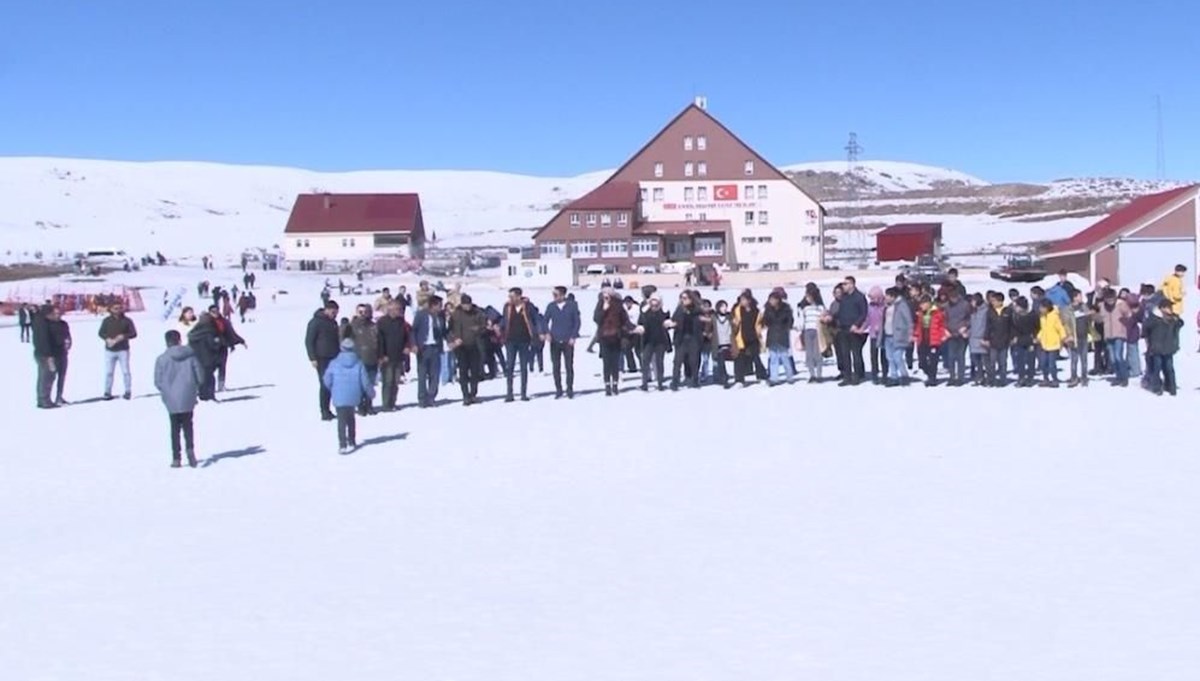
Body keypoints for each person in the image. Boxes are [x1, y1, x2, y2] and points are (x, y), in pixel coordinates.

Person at [154, 330, 204, 468]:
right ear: (179, 340)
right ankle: (190, 449)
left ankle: (176, 457)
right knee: (188, 425)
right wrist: (195, 387)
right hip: (188, 394)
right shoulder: (191, 356)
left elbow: (157, 381)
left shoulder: (161, 359)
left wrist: (166, 390)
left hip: (171, 398)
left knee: (174, 427)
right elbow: (200, 376)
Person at [323, 338, 375, 454]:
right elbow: (365, 381)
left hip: (338, 395)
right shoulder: (359, 363)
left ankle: (342, 444)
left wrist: (332, 388)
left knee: (341, 420)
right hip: (353, 395)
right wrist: (371, 392)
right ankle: (352, 440)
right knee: (351, 418)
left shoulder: (334, 363)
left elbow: (327, 379)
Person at [540, 285, 581, 399]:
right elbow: (544, 321)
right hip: (555, 340)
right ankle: (558, 389)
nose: (554, 297)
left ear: (563, 295)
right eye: (553, 295)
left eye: (556, 295)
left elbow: (577, 322)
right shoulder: (551, 306)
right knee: (556, 366)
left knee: (569, 366)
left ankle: (569, 389)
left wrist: (573, 336)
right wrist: (546, 332)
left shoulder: (572, 306)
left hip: (568, 340)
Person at [448, 294, 487, 405]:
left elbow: (484, 326)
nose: (467, 307)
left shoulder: (477, 313)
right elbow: (449, 329)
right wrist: (454, 339)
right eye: (465, 305)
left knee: (475, 372)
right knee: (463, 372)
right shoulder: (456, 314)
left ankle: (473, 394)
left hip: (475, 345)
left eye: (468, 304)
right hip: (461, 347)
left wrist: (478, 329)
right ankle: (465, 395)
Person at [500, 287, 538, 402]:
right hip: (510, 341)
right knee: (510, 367)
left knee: (523, 367)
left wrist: (537, 334)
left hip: (524, 340)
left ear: (518, 296)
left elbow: (535, 320)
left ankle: (523, 393)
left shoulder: (528, 307)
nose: (510, 299)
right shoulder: (507, 307)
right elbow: (504, 321)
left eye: (512, 296)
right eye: (509, 296)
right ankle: (509, 393)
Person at [305, 300, 341, 421]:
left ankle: (329, 408)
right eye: (333, 312)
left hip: (334, 357)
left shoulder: (333, 323)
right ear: (326, 309)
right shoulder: (315, 322)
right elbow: (309, 341)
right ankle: (324, 411)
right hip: (321, 358)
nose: (335, 314)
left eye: (336, 312)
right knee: (325, 384)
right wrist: (312, 358)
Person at [409, 296, 445, 408]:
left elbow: (444, 331)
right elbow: (413, 331)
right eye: (439, 305)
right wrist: (414, 344)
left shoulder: (440, 316)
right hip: (423, 348)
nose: (441, 308)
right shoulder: (421, 315)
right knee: (422, 374)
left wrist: (450, 340)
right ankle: (422, 398)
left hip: (435, 347)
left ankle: (431, 397)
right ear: (432, 305)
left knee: (435, 375)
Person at [594, 288, 631, 396]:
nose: (606, 296)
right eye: (604, 294)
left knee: (615, 362)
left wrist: (633, 328)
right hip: (604, 337)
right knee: (606, 363)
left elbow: (625, 320)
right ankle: (607, 386)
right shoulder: (600, 304)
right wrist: (604, 309)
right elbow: (596, 319)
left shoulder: (618, 305)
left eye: (608, 294)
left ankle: (615, 385)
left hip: (616, 337)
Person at [378, 299, 414, 410]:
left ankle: (393, 402)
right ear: (390, 309)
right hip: (387, 357)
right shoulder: (382, 322)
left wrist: (407, 347)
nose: (399, 311)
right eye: (397, 309)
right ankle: (386, 404)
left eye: (399, 309)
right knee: (388, 382)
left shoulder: (401, 322)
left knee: (395, 382)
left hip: (399, 356)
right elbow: (379, 340)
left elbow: (407, 336)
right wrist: (382, 355)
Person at [98, 302, 138, 400]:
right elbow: (101, 333)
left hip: (123, 350)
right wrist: (107, 339)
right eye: (115, 308)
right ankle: (107, 392)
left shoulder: (127, 320)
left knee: (125, 371)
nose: (118, 310)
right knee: (109, 372)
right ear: (111, 309)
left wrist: (124, 336)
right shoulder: (106, 321)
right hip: (110, 350)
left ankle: (127, 391)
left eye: (119, 308)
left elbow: (133, 333)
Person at [834, 276, 868, 386]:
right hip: (843, 328)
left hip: (854, 330)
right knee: (845, 354)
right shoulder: (844, 298)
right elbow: (841, 312)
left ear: (852, 284)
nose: (844, 286)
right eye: (843, 284)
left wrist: (856, 324)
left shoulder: (859, 297)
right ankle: (847, 376)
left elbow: (863, 313)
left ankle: (857, 376)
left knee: (856, 353)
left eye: (846, 284)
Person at [1144, 298, 1182, 396]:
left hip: (1168, 347)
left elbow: (1180, 324)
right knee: (1157, 367)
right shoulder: (1155, 318)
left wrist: (1176, 318)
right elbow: (1146, 328)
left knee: (1169, 368)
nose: (1171, 309)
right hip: (1157, 348)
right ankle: (1156, 387)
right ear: (1162, 308)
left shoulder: (1172, 318)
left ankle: (1171, 387)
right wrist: (1149, 342)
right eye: (1169, 307)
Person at [634, 293, 671, 391]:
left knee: (659, 363)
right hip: (648, 341)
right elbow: (640, 323)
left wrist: (669, 324)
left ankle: (660, 383)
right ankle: (644, 384)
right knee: (645, 362)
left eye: (656, 304)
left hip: (660, 342)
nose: (654, 306)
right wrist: (640, 328)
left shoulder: (663, 312)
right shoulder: (645, 313)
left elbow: (669, 323)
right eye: (652, 303)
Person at [350, 304, 381, 415]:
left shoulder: (373, 326)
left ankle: (369, 405)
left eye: (365, 312)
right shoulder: (352, 326)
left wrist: (380, 355)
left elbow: (379, 341)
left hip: (372, 359)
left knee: (370, 384)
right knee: (360, 385)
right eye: (360, 312)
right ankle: (360, 406)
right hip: (358, 360)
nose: (363, 314)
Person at [669, 290, 703, 390]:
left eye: (685, 298)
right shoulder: (679, 309)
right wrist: (672, 324)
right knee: (677, 361)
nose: (683, 300)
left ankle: (695, 380)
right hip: (681, 339)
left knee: (694, 361)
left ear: (691, 299)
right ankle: (675, 381)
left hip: (694, 338)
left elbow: (702, 318)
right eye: (682, 298)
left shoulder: (697, 310)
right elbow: (674, 320)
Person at [759, 289, 795, 386]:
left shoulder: (786, 309)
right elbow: (765, 321)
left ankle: (789, 376)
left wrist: (787, 328)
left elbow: (790, 321)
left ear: (778, 300)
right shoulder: (768, 310)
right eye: (770, 300)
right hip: (772, 335)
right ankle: (774, 378)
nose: (772, 302)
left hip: (782, 335)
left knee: (784, 357)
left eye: (773, 299)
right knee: (773, 358)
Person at [209, 305, 246, 393]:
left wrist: (241, 341)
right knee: (210, 369)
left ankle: (221, 386)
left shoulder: (224, 321)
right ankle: (208, 386)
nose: (215, 313)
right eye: (213, 311)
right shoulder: (206, 323)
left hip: (222, 347)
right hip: (210, 348)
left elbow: (231, 333)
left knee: (222, 366)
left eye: (217, 311)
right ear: (210, 313)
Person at [882, 288, 914, 387]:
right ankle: (894, 377)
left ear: (893, 296)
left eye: (887, 296)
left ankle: (904, 375)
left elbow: (908, 320)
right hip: (888, 334)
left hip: (899, 335)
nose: (885, 298)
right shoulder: (887, 306)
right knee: (890, 357)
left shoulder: (901, 305)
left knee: (898, 357)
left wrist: (910, 334)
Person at [31, 305, 60, 408]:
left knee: (42, 377)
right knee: (48, 377)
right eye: (52, 313)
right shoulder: (43, 323)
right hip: (45, 354)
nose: (54, 315)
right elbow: (44, 341)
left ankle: (41, 399)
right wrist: (49, 356)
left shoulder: (38, 320)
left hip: (39, 353)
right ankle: (45, 400)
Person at [942, 288, 971, 386]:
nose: (952, 300)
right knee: (951, 357)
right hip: (951, 334)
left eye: (954, 298)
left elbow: (970, 318)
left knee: (960, 356)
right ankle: (952, 377)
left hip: (962, 333)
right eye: (950, 298)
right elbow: (944, 319)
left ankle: (960, 377)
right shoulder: (946, 306)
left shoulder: (965, 305)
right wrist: (945, 329)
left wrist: (965, 327)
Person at [1036, 299, 1068, 387]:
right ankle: (1045, 379)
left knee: (1051, 364)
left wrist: (1063, 338)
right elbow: (1043, 329)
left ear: (1047, 308)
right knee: (1043, 363)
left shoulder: (1054, 317)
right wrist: (1039, 337)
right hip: (1044, 343)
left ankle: (1055, 379)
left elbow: (1060, 328)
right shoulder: (1042, 317)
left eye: (1042, 308)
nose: (1040, 309)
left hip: (1053, 344)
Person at [799, 287, 827, 383]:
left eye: (809, 296)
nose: (807, 298)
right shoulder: (805, 309)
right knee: (809, 354)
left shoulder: (820, 308)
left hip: (817, 331)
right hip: (807, 331)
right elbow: (802, 321)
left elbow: (824, 319)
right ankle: (812, 375)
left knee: (818, 353)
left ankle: (819, 375)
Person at [45, 305, 72, 405]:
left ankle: (59, 397)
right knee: (51, 377)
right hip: (53, 354)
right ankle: (47, 398)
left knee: (62, 376)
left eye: (59, 313)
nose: (57, 315)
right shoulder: (48, 325)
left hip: (63, 354)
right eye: (55, 313)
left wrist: (69, 343)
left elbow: (68, 336)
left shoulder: (64, 324)